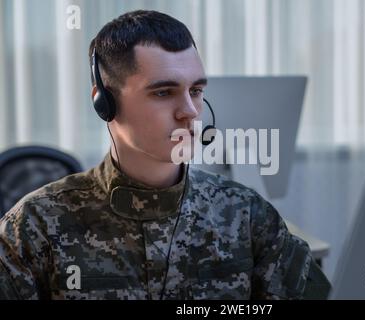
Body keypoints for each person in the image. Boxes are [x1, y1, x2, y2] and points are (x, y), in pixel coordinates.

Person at [0, 10, 330, 300]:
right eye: (163, 92)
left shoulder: (247, 215)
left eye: (196, 91)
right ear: (105, 103)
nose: (190, 112)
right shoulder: (33, 227)